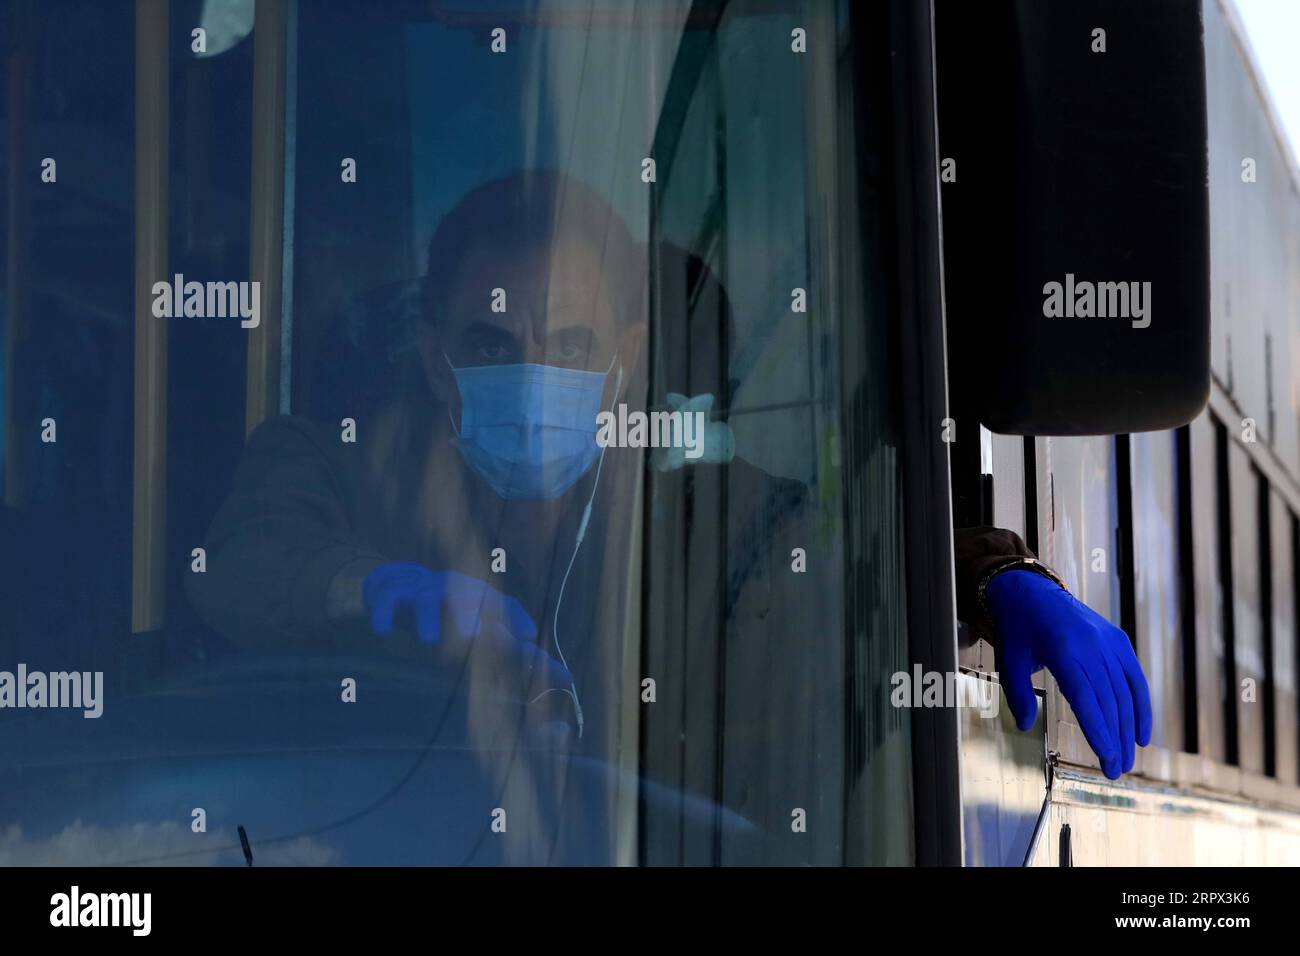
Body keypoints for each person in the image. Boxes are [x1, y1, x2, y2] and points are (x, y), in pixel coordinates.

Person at [187, 169, 1150, 859]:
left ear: (627, 359)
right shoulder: (349, 460)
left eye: (570, 342)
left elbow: (852, 556)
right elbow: (247, 557)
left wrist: (1000, 578)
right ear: (435, 354)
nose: (533, 373)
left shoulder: (702, 520)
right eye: (490, 340)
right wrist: (373, 591)